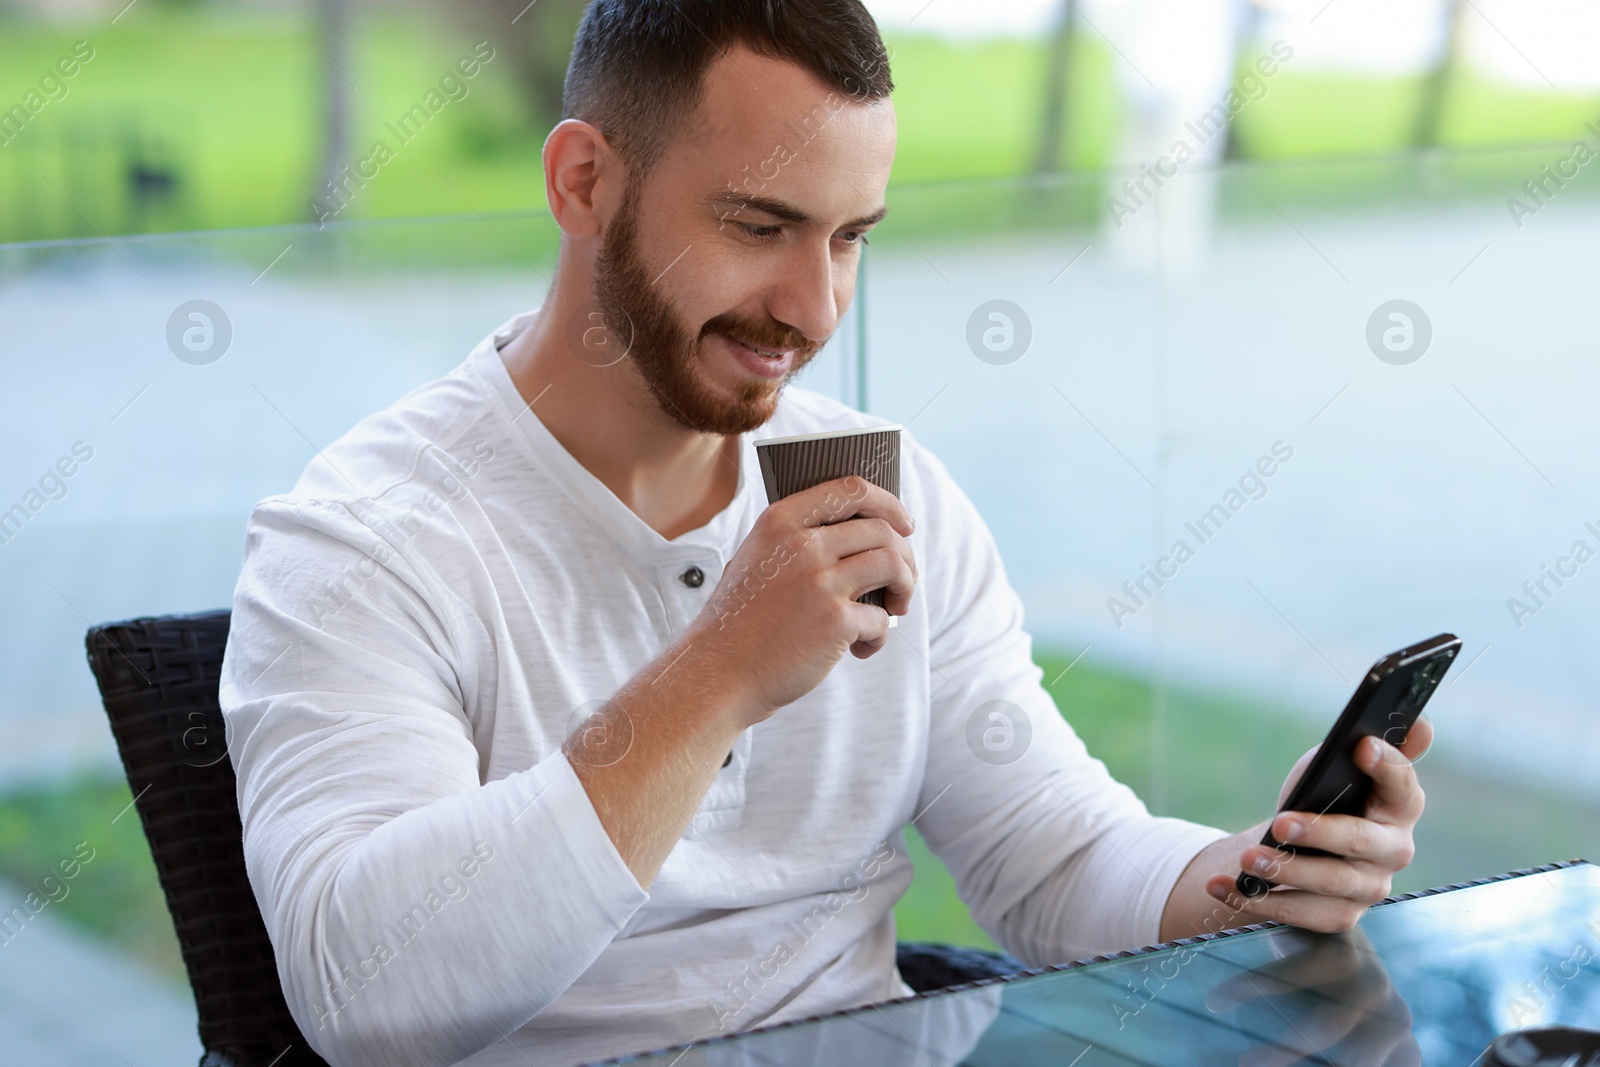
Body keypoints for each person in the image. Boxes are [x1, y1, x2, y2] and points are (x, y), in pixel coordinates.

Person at [218, 2, 1431, 1065]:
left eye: (850, 237)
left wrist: (1246, 878)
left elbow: (1054, 858)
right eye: (759, 226)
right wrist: (721, 669)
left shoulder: (892, 490)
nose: (814, 309)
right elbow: (363, 998)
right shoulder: (365, 540)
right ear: (583, 180)